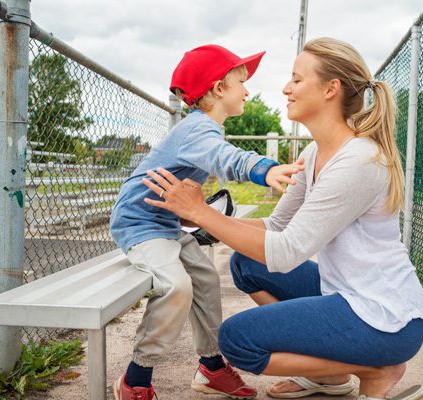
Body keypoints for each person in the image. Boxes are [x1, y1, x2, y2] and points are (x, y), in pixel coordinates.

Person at [141, 37, 423, 400]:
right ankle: (329, 377)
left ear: (331, 89)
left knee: (238, 341)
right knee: (246, 262)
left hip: (386, 319)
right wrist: (198, 222)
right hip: (344, 293)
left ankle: (372, 368)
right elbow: (276, 228)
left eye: (296, 80)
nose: (286, 88)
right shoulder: (315, 153)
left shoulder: (359, 161)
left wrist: (199, 210)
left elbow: (285, 251)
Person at [109, 44, 305, 400]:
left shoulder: (202, 128)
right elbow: (224, 157)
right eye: (241, 82)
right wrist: (264, 169)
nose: (247, 90)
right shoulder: (197, 130)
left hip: (166, 224)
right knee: (177, 287)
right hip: (140, 224)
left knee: (206, 280)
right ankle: (136, 378)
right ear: (218, 89)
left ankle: (211, 367)